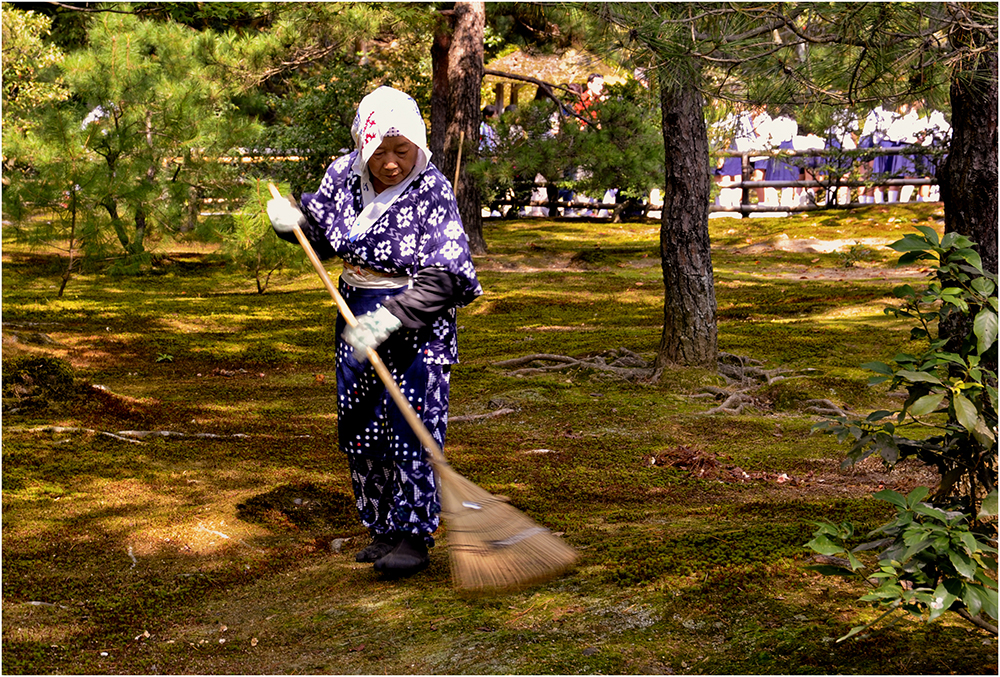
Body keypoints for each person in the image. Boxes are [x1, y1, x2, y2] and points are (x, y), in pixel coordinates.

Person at [266, 86, 483, 579]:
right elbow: (319, 235)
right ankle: (382, 526)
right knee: (362, 423)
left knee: (413, 425)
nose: (389, 163)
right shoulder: (342, 176)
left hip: (414, 317)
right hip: (354, 307)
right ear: (362, 148)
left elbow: (449, 274)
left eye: (400, 151)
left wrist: (391, 319)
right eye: (378, 152)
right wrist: (291, 223)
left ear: (418, 145)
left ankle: (414, 535)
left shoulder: (432, 188)